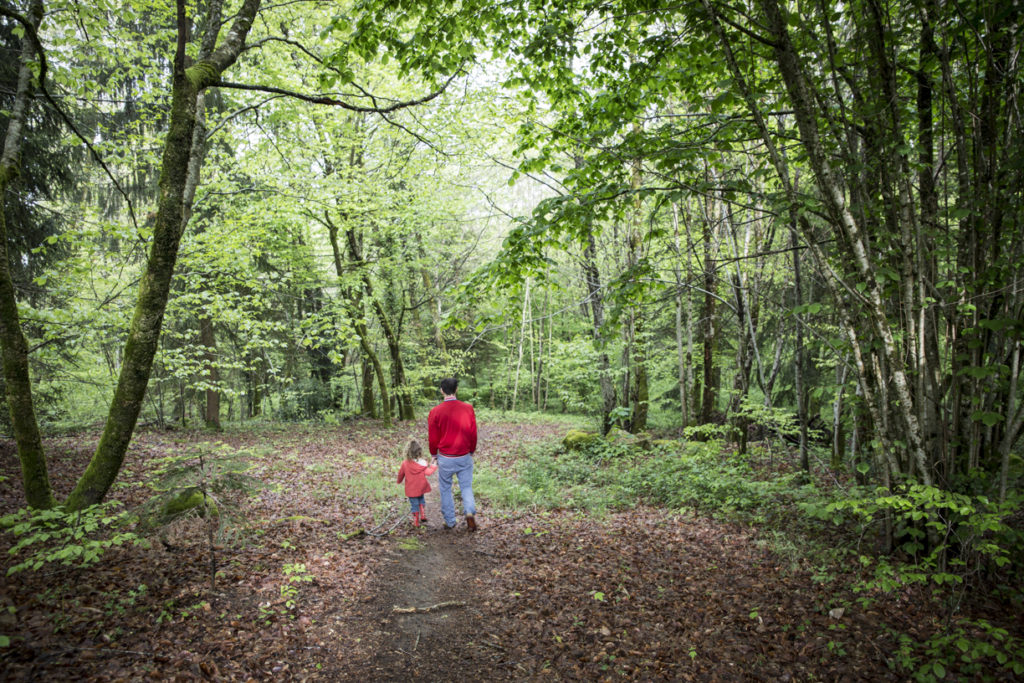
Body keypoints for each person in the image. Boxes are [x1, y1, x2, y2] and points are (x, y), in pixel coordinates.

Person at [428, 377, 478, 531]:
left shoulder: (435, 411)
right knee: (466, 487)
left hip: (446, 457)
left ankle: (450, 521)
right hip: (463, 456)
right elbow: (473, 432)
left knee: (445, 488)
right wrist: (471, 450)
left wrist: (434, 454)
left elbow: (433, 436)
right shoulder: (468, 408)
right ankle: (469, 512)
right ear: (456, 389)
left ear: (442, 390)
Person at [396, 439, 437, 527]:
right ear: (419, 452)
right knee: (421, 499)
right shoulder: (422, 463)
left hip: (411, 488)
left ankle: (416, 522)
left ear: (407, 452)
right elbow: (429, 472)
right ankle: (423, 514)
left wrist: (398, 481)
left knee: (414, 504)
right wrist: (434, 465)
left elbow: (401, 474)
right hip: (421, 487)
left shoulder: (405, 463)